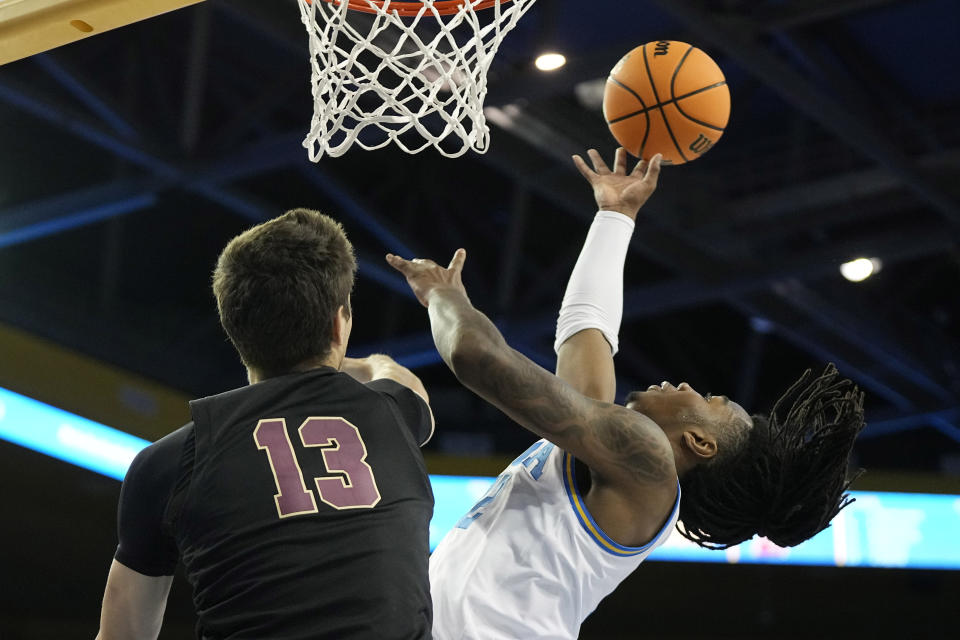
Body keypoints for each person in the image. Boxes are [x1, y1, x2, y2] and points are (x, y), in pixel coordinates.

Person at [387, 149, 866, 640]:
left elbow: (475, 356)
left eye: (706, 399)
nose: (685, 385)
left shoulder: (648, 462)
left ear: (701, 442)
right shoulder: (609, 450)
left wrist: (445, 294)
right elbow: (585, 330)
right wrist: (616, 217)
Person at [96, 209, 436, 640]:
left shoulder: (166, 463)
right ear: (338, 320)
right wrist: (359, 362)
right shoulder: (393, 414)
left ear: (232, 326)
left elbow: (121, 636)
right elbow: (403, 381)